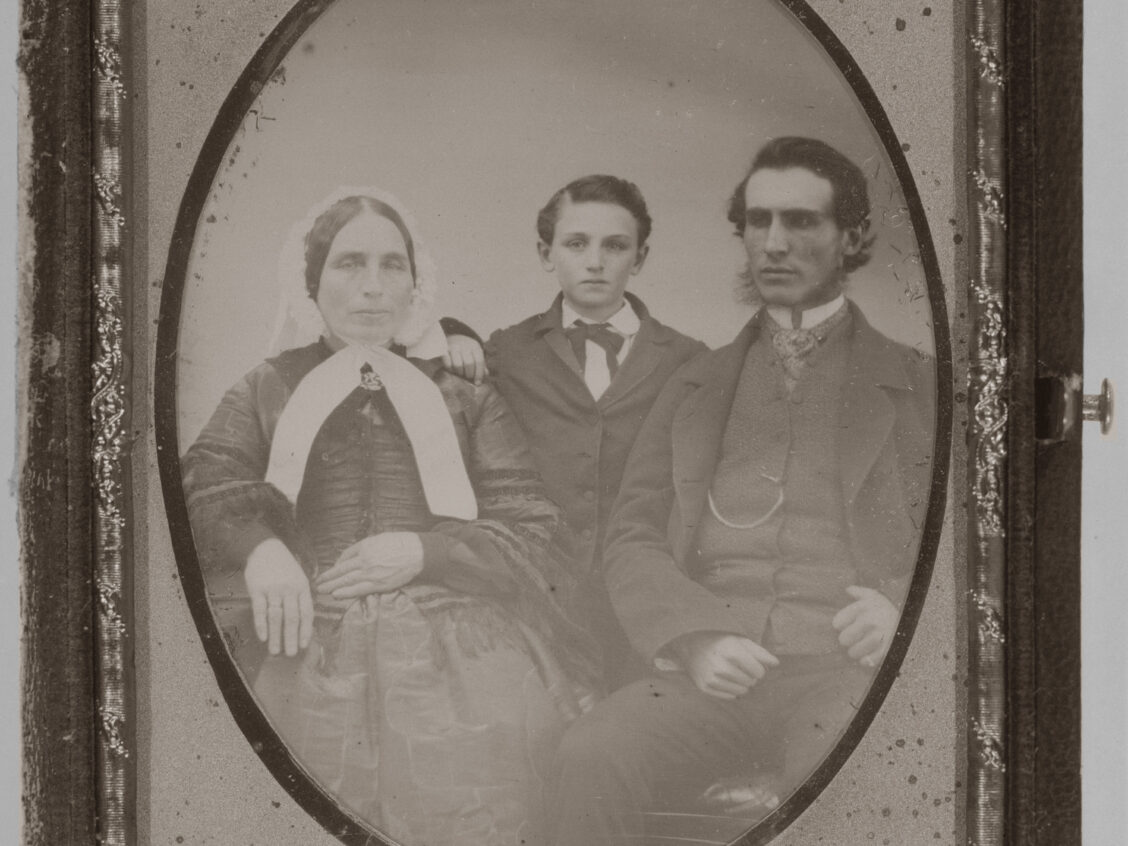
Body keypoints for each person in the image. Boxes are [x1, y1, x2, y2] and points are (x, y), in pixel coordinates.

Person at [181, 189, 600, 846]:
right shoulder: (266, 385)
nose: (372, 288)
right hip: (301, 634)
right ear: (312, 283)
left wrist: (426, 552)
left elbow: (537, 531)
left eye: (391, 266)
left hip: (461, 643)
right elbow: (202, 480)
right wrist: (261, 548)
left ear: (415, 283)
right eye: (349, 265)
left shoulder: (465, 392)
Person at [549, 138, 936, 845]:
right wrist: (691, 636)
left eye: (801, 222)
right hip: (710, 679)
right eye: (758, 222)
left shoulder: (921, 386)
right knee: (590, 755)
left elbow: (983, 542)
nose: (775, 244)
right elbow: (632, 537)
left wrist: (906, 613)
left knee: (838, 776)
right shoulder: (693, 384)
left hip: (844, 676)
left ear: (851, 237)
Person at [486, 175, 706, 689]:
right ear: (546, 253)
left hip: (642, 595)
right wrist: (449, 330)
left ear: (641, 258)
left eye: (615, 246)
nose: (595, 261)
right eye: (576, 243)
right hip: (542, 593)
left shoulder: (688, 359)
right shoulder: (507, 350)